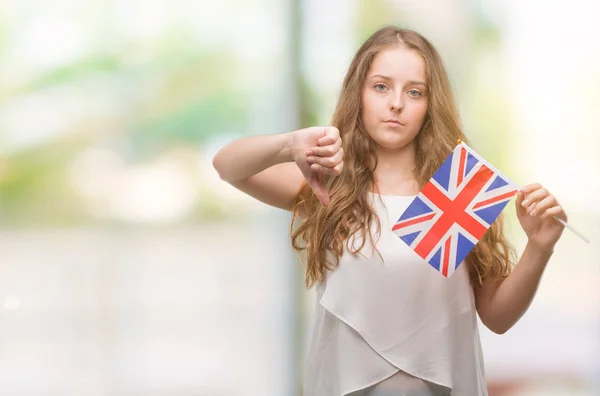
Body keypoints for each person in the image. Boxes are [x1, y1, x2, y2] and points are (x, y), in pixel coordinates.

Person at [212, 26, 567, 396]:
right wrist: (289, 144)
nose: (396, 103)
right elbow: (227, 166)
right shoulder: (329, 186)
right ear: (359, 94)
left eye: (414, 92)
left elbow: (497, 316)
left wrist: (539, 247)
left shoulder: (458, 191)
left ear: (430, 104)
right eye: (381, 86)